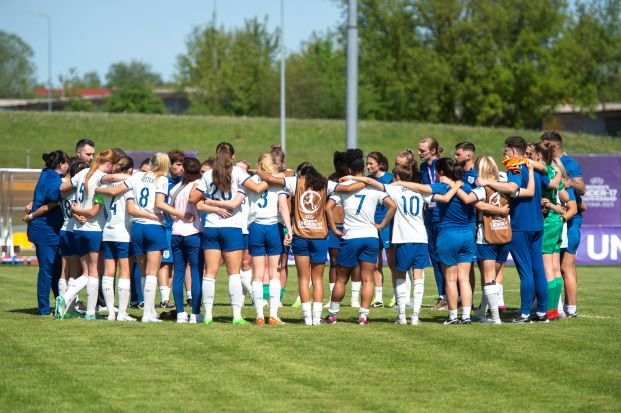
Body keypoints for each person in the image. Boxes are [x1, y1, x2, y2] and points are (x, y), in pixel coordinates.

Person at [478, 136, 561, 323]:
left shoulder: (515, 165)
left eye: (506, 150)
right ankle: (542, 312)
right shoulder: (535, 167)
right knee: (538, 269)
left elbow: (512, 186)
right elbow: (549, 183)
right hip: (537, 224)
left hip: (520, 225)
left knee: (526, 271)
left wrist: (486, 182)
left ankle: (524, 313)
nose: (504, 154)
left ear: (514, 152)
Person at [189, 142, 269, 325]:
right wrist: (271, 179)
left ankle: (208, 315)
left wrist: (211, 203)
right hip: (232, 227)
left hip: (211, 226)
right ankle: (236, 316)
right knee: (234, 273)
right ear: (233, 156)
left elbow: (194, 198)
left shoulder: (208, 174)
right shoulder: (239, 173)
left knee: (209, 273)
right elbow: (257, 188)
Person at [325, 157, 397, 325]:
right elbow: (392, 206)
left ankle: (333, 314)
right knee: (367, 279)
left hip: (351, 237)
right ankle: (363, 316)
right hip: (371, 236)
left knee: (342, 278)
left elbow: (328, 208)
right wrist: (382, 225)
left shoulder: (344, 190)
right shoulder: (373, 187)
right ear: (363, 170)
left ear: (349, 170)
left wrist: (335, 229)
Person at [460, 156, 512, 324]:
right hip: (504, 231)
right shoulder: (505, 182)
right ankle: (482, 311)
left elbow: (473, 202)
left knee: (488, 276)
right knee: (495, 276)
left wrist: (456, 186)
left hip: (487, 233)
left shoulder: (481, 189)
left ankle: (495, 318)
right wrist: (503, 211)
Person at [540, 131, 584, 318]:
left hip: (568, 222)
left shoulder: (566, 164)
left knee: (565, 267)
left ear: (553, 146)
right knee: (554, 267)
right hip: (561, 220)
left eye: (544, 145)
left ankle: (568, 308)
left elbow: (581, 188)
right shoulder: (552, 167)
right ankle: (554, 306)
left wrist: (567, 182)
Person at [26, 150, 69, 315]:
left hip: (46, 229)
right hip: (45, 230)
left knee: (56, 268)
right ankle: (44, 309)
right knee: (48, 268)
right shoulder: (52, 177)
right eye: (67, 163)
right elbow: (53, 194)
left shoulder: (46, 173)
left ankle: (60, 303)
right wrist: (70, 185)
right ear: (60, 165)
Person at [98, 156, 136, 321]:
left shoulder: (104, 184)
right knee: (125, 272)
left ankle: (111, 313)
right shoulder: (129, 184)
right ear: (129, 170)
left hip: (108, 231)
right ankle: (121, 313)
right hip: (123, 232)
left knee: (108, 273)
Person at [170, 157, 203, 323]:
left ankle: (180, 313)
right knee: (196, 273)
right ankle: (195, 313)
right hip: (194, 233)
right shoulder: (198, 186)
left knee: (178, 273)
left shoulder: (175, 188)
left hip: (176, 233)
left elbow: (170, 212)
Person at [418, 137, 446, 310]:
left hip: (443, 214)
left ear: (434, 151)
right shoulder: (422, 167)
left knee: (445, 256)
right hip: (428, 214)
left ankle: (455, 296)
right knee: (434, 256)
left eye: (423, 150)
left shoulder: (443, 165)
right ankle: (442, 295)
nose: (420, 153)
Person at [366, 151, 394, 308]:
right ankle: (378, 298)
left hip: (387, 225)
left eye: (371, 163)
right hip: (372, 224)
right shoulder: (366, 180)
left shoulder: (390, 178)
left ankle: (398, 296)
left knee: (392, 263)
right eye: (367, 163)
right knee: (375, 263)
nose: (368, 166)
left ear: (381, 164)